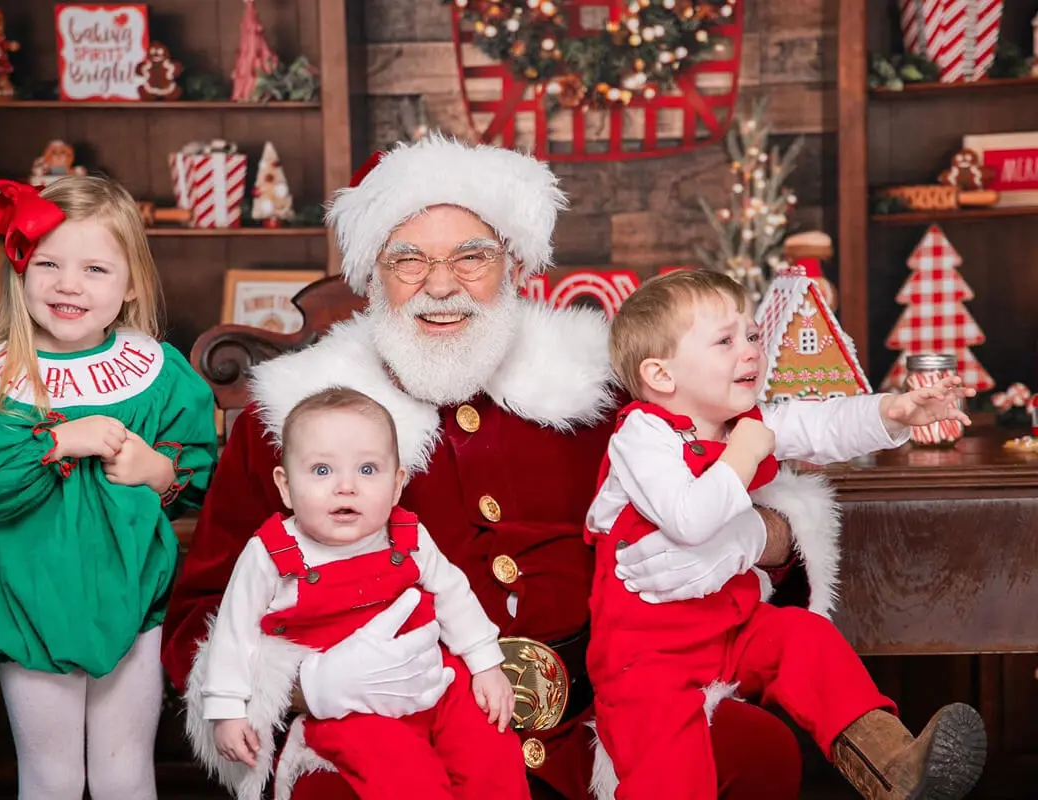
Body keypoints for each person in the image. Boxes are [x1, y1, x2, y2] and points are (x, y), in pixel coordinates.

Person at [163, 134, 829, 800]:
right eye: (410, 261)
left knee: (755, 750)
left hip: (607, 719)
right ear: (372, 276)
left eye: (471, 257)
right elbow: (203, 612)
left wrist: (759, 539)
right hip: (410, 735)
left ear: (513, 264)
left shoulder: (604, 384)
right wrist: (306, 684)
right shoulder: (290, 418)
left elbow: (748, 477)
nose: (443, 285)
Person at [586, 269, 987, 800]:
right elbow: (687, 517)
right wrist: (747, 452)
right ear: (662, 375)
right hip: (648, 660)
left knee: (806, 640)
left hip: (730, 629)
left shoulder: (742, 420)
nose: (750, 350)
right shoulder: (642, 437)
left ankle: (894, 765)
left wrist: (895, 411)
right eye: (726, 341)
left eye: (752, 335)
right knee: (671, 775)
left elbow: (822, 426)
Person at [0, 177, 218, 800]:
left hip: (135, 603)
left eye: (95, 268)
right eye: (48, 264)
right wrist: (54, 442)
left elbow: (200, 474)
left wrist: (156, 469)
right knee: (52, 778)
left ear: (130, 283)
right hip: (29, 605)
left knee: (125, 773)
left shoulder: (157, 373)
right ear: (20, 270)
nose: (68, 284)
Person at [197, 387, 526, 800]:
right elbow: (233, 633)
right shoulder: (272, 552)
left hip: (433, 679)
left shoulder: (408, 535)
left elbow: (453, 594)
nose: (346, 487)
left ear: (396, 484)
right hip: (349, 708)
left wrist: (485, 665)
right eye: (321, 471)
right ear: (284, 485)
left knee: (490, 748)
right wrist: (226, 709)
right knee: (405, 775)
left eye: (368, 470)